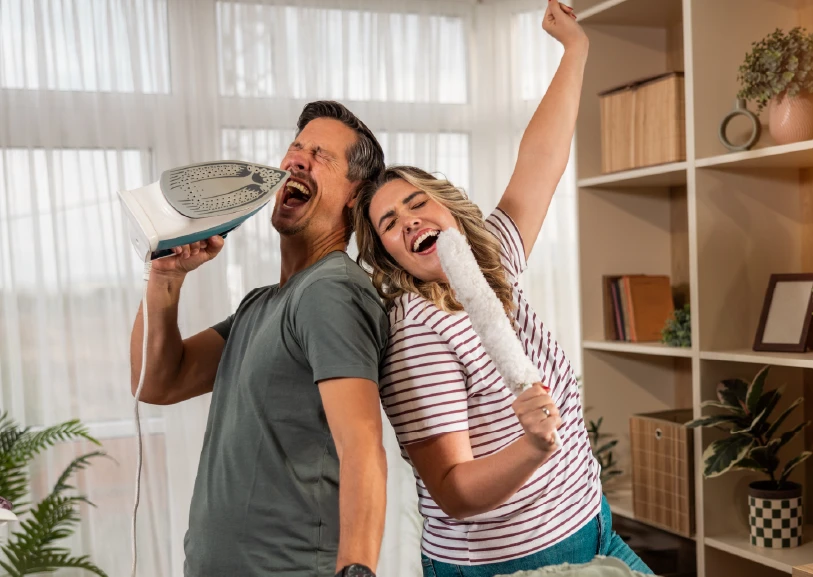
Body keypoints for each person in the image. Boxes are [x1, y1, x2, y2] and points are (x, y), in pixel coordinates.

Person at [353, 3, 653, 576]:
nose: (409, 220)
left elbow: (541, 158)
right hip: (506, 563)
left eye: (417, 202)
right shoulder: (418, 331)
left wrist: (576, 50)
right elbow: (454, 491)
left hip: (591, 525)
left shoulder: (494, 261)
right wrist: (533, 446)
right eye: (389, 223)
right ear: (387, 253)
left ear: (449, 211)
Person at [129, 101, 390, 577]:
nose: (297, 160)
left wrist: (357, 571)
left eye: (321, 156)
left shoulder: (330, 291)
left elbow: (363, 446)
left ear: (356, 196)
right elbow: (158, 382)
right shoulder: (262, 305)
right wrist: (165, 277)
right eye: (295, 148)